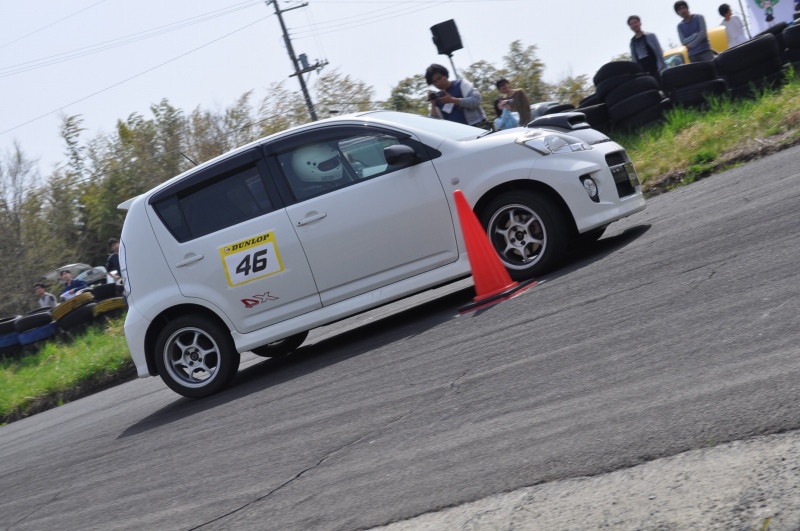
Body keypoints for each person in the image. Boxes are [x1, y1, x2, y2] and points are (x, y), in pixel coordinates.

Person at [627, 15, 666, 80]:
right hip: (644, 74)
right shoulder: (632, 43)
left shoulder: (650, 36)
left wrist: (661, 68)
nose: (634, 25)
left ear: (640, 23)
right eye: (631, 24)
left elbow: (659, 52)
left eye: (635, 22)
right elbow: (634, 59)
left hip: (657, 69)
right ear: (630, 27)